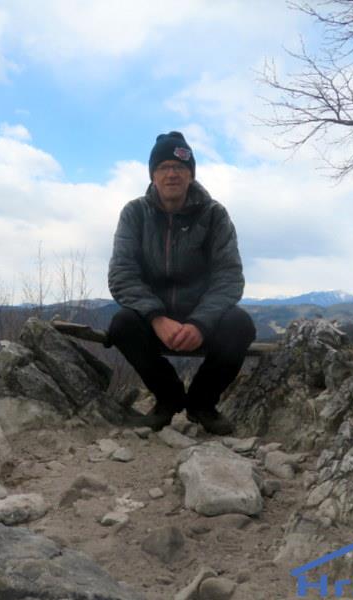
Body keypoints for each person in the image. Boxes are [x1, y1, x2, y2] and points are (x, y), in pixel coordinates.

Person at [107, 131, 256, 435]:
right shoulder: (135, 214)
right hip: (153, 320)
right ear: (153, 175)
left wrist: (200, 323)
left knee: (240, 325)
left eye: (179, 167)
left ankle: (202, 403)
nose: (172, 174)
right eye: (163, 167)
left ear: (191, 175)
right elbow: (122, 273)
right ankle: (168, 398)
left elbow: (229, 277)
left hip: (203, 319)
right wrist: (157, 317)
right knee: (122, 324)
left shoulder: (214, 215)